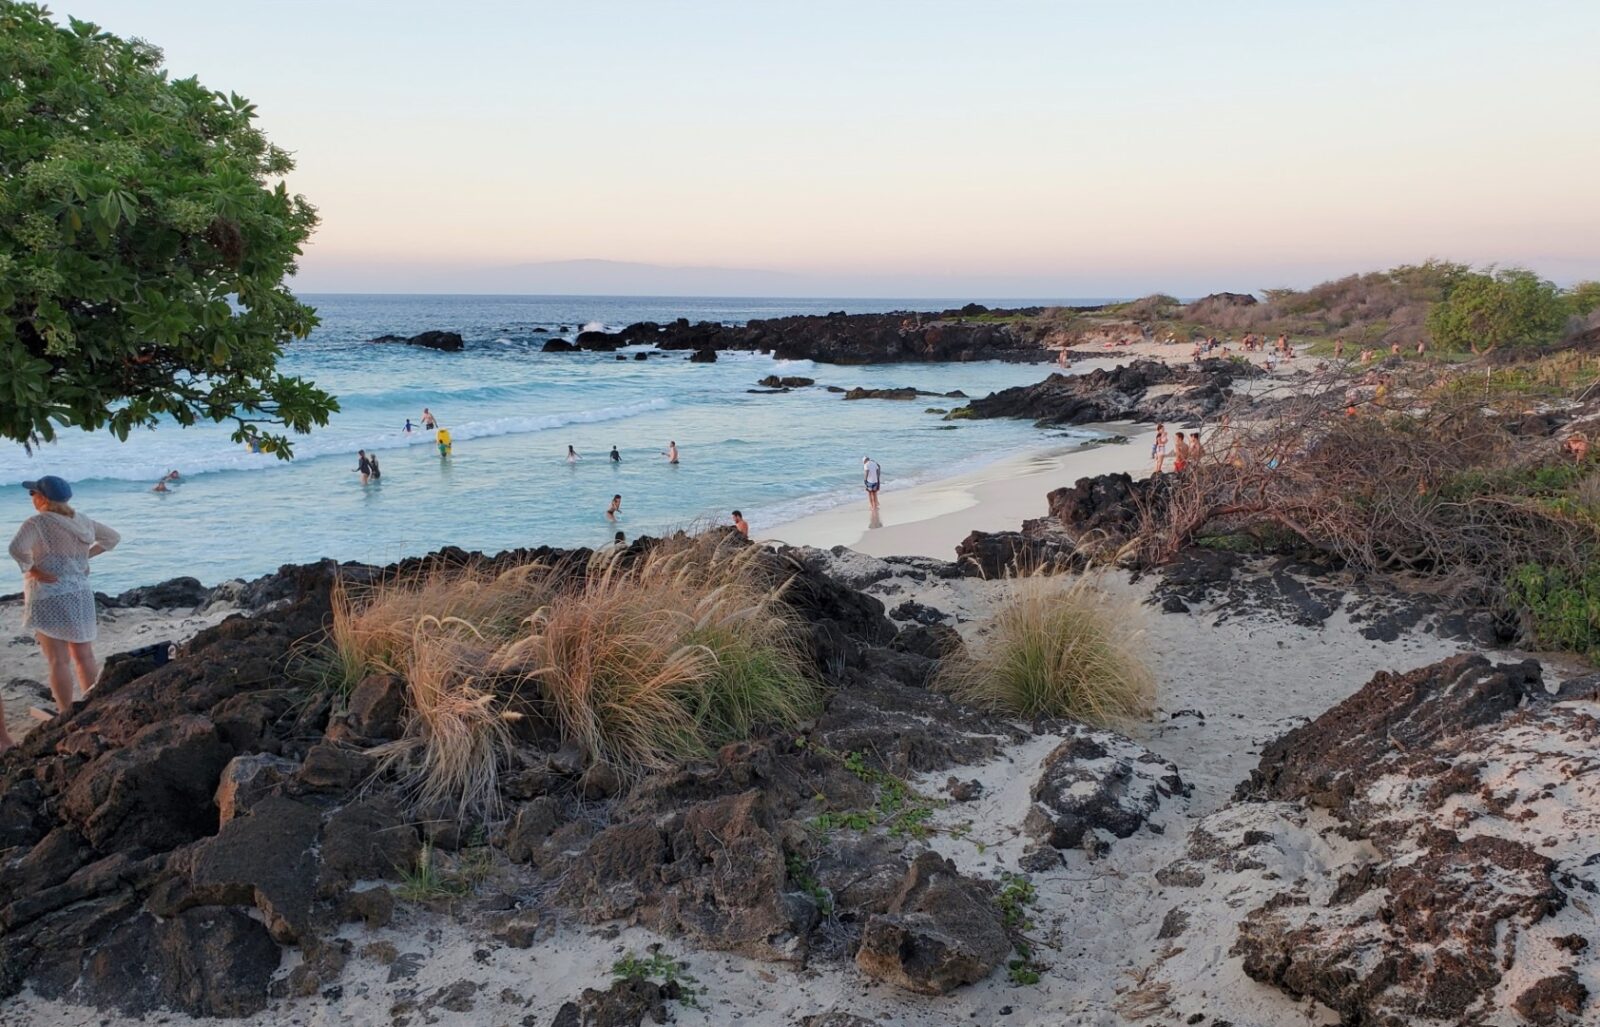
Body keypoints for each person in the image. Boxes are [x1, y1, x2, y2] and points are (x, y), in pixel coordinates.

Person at [9, 477, 120, 716]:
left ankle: (65, 713)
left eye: (32, 494)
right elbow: (112, 538)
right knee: (84, 654)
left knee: (58, 660)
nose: (32, 498)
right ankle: (92, 708)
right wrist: (82, 559)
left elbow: (16, 549)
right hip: (79, 594)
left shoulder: (37, 523)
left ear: (43, 498)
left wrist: (33, 569)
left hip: (49, 596)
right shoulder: (82, 521)